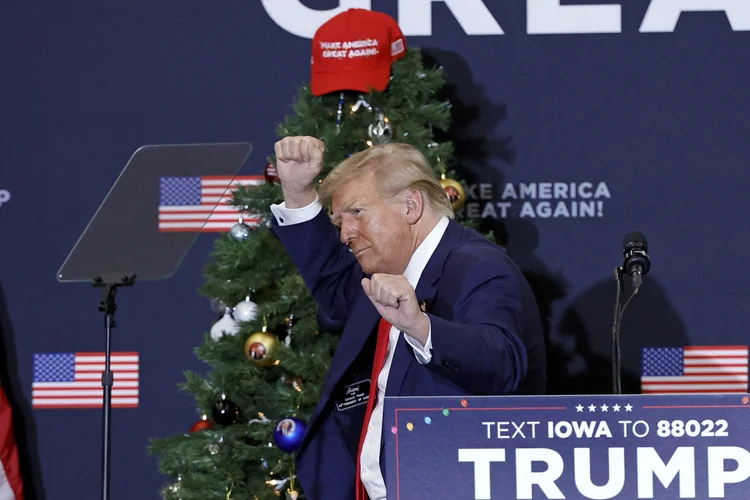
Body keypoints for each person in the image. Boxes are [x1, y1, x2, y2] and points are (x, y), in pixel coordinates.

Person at [269, 136, 546, 500]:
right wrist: (297, 192)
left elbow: (504, 362)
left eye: (356, 212)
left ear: (411, 205)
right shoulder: (389, 268)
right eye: (339, 220)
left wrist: (421, 327)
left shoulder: (478, 267)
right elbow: (336, 286)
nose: (345, 234)